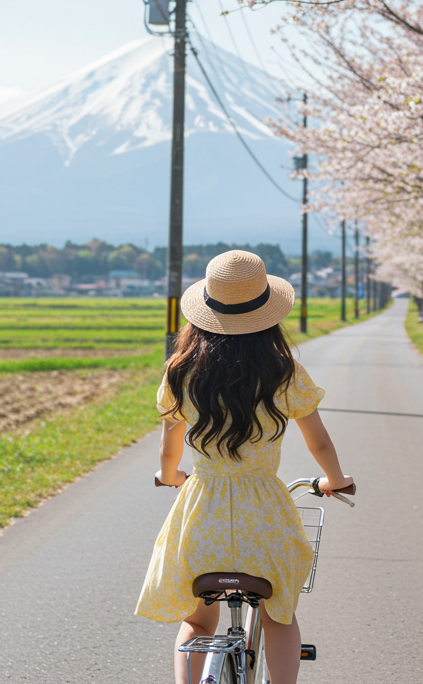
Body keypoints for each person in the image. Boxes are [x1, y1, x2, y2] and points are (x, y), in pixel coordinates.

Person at [136, 250, 354, 684]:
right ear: (267, 315)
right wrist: (336, 479)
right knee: (279, 615)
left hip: (202, 516)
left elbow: (168, 451)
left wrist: (170, 477)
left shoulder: (181, 372)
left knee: (197, 621)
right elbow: (319, 441)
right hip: (265, 516)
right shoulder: (283, 372)